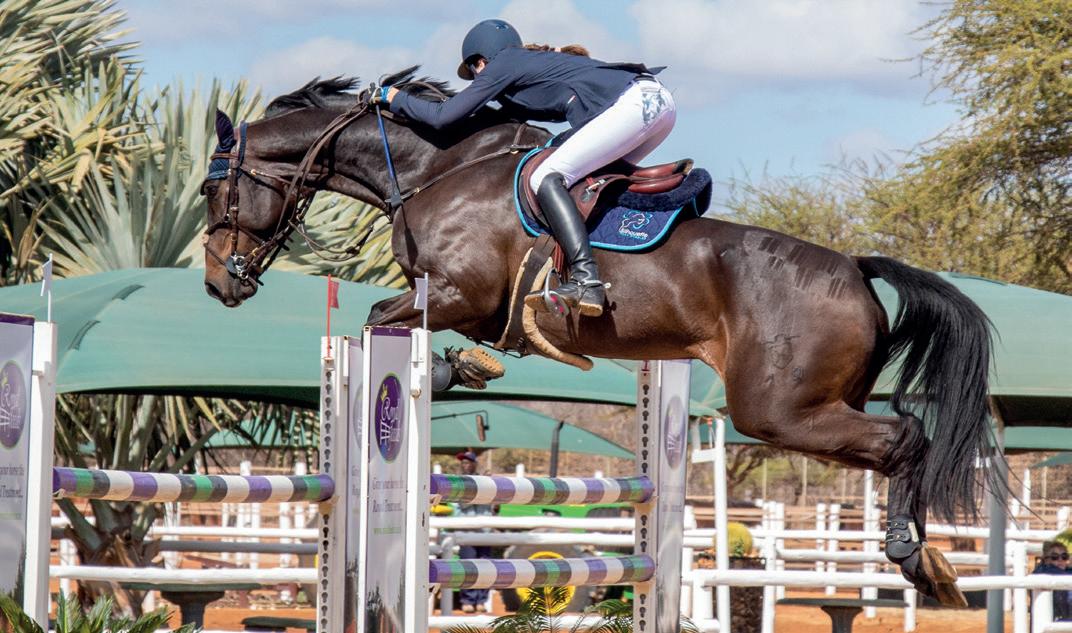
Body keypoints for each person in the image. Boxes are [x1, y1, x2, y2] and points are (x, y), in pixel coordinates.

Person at [374, 19, 676, 317]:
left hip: (636, 105)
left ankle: (586, 280)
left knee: (545, 177)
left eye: (475, 71)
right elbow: (485, 118)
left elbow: (443, 117)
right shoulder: (521, 70)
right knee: (587, 184)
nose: (478, 79)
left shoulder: (503, 63)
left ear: (482, 60)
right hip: (656, 106)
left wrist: (394, 97)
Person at [453, 450, 495, 613]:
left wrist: (491, 486)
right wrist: (482, 485)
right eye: (463, 462)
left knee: (485, 566)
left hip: (484, 530)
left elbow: (495, 505)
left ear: (474, 464)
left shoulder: (485, 481)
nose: (465, 465)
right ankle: (468, 600)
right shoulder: (458, 483)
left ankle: (481, 600)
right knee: (468, 566)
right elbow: (464, 503)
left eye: (468, 462)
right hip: (467, 530)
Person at [1033, 540, 1072, 620]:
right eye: (1055, 557)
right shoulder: (1043, 571)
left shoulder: (1067, 571)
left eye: (1064, 556)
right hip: (1053, 619)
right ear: (1046, 560)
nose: (1060, 560)